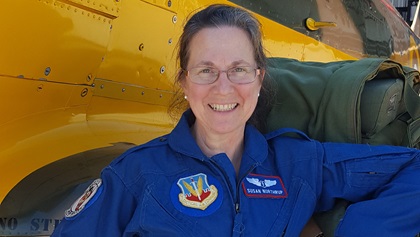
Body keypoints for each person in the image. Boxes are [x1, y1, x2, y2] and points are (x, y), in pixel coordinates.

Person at [52, 4, 420, 237]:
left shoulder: (297, 164)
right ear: (184, 81)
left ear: (260, 79)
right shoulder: (134, 176)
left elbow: (412, 168)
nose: (223, 88)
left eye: (239, 70)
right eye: (206, 70)